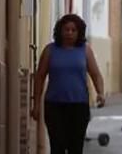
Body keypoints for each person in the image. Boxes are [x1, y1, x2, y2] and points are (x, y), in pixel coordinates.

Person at [32, 14, 105, 154]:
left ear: (79, 33)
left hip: (79, 106)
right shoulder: (50, 51)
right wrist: (36, 104)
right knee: (57, 146)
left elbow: (96, 75)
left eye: (73, 30)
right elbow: (39, 77)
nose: (70, 33)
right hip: (54, 106)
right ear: (60, 31)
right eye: (66, 29)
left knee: (75, 147)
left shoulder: (85, 50)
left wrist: (100, 93)